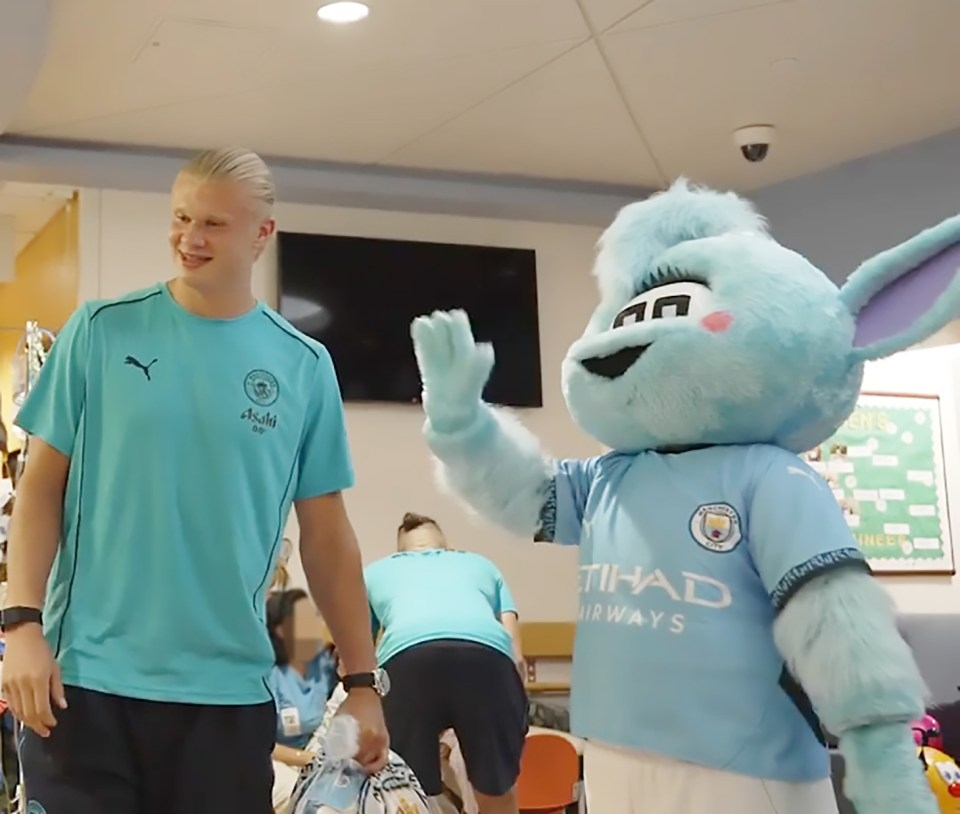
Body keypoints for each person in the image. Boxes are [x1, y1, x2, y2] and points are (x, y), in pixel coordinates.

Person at [0, 146, 389, 813]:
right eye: (181, 217)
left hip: (225, 698)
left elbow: (327, 537)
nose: (190, 237)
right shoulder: (99, 331)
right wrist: (21, 626)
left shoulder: (302, 366)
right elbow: (40, 489)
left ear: (262, 234)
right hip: (87, 683)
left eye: (213, 223)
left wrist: (361, 681)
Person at [364, 512, 528, 814]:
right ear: (449, 548)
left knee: (409, 794)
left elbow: (360, 651)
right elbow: (516, 655)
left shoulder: (376, 571)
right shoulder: (480, 563)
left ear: (400, 554)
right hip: (486, 663)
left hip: (406, 662)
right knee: (496, 792)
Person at [266, 588, 338, 766]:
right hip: (278, 763)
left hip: (318, 756)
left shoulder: (324, 666)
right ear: (282, 631)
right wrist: (307, 759)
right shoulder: (270, 677)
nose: (316, 625)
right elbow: (259, 743)